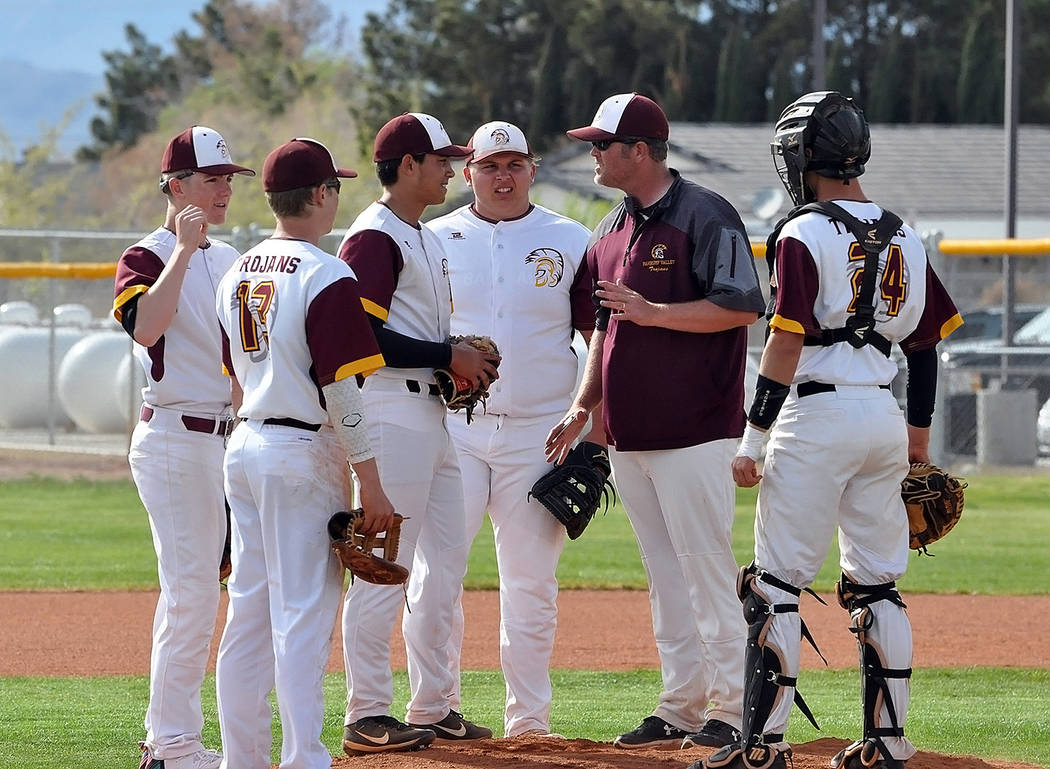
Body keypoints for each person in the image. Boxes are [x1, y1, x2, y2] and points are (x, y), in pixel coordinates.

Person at [699, 92, 963, 769]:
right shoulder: (906, 234)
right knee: (877, 584)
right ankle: (888, 743)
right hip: (881, 413)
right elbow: (926, 346)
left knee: (773, 585)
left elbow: (786, 339)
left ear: (803, 157)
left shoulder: (801, 232)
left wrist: (752, 439)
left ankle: (762, 747)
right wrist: (917, 444)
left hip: (816, 416)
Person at [545, 93, 765, 751]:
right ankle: (680, 706)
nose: (593, 154)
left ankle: (736, 708)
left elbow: (742, 305)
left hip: (695, 430)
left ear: (639, 151)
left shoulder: (704, 213)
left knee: (705, 568)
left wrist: (657, 312)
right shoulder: (611, 228)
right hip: (630, 435)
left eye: (602, 144)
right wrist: (585, 404)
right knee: (666, 577)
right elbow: (604, 327)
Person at [213, 137, 397, 769]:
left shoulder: (236, 270)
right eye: (334, 187)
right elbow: (342, 391)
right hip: (301, 449)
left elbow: (235, 380)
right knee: (303, 613)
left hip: (245, 442)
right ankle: (303, 759)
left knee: (248, 613)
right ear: (320, 194)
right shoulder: (327, 273)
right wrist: (371, 483)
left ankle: (242, 759)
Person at [427, 120, 601, 737]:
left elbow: (596, 336)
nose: (503, 176)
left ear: (532, 168)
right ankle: (433, 709)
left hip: (541, 433)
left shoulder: (571, 238)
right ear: (468, 171)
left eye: (515, 164)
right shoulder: (434, 238)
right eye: (490, 165)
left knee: (531, 584)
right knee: (436, 574)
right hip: (454, 427)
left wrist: (593, 421)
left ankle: (528, 721)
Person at [336, 112, 499, 755]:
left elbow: (412, 334)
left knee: (445, 567)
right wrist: (445, 354)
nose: (452, 170)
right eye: (441, 160)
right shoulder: (374, 236)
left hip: (430, 415)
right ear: (407, 165)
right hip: (388, 413)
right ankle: (367, 713)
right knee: (384, 567)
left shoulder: (421, 235)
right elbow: (359, 335)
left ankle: (434, 704)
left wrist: (453, 358)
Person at [113, 125, 254, 769]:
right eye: (211, 178)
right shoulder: (145, 256)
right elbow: (147, 328)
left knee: (225, 588)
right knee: (190, 592)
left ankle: (186, 738)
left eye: (229, 178)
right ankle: (171, 745)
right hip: (174, 437)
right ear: (175, 186)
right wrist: (183, 250)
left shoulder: (231, 258)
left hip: (230, 437)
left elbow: (246, 355)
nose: (224, 189)